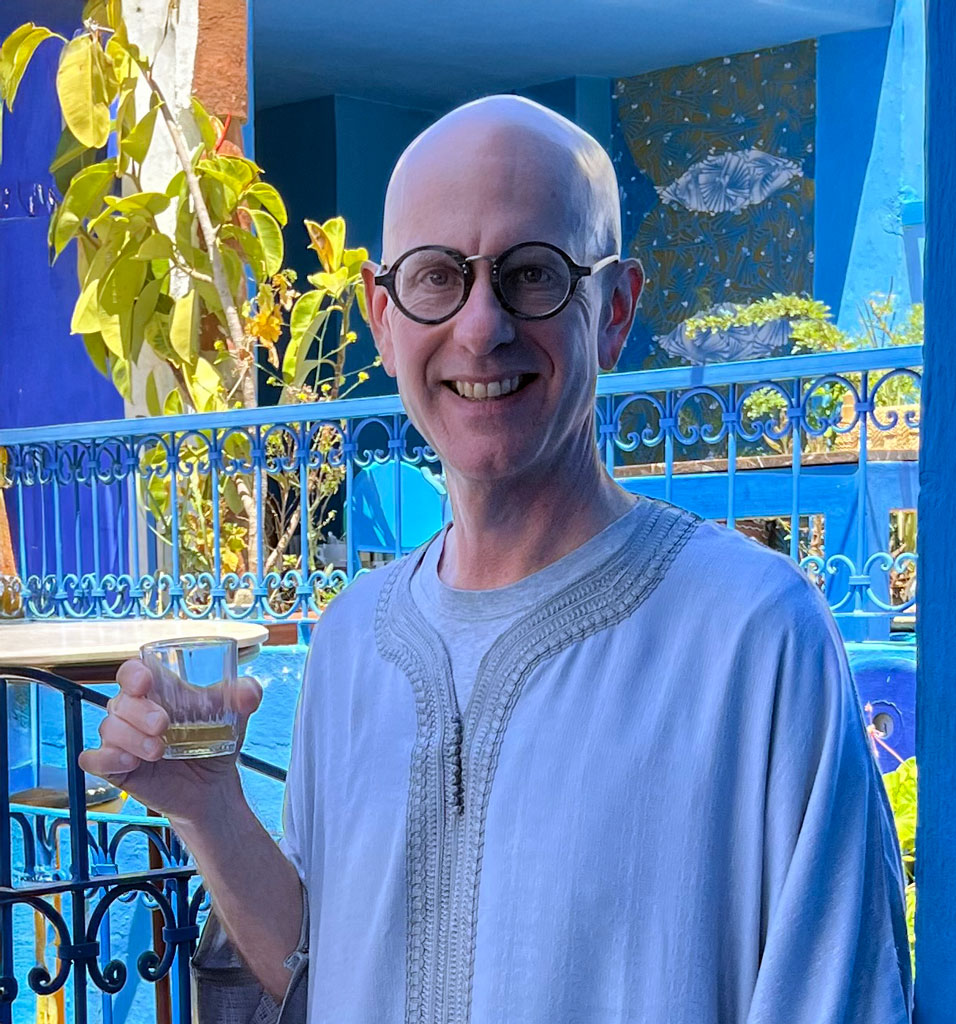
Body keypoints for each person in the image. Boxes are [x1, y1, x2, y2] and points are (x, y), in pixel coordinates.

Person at [81, 95, 913, 1024]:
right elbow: (328, 978)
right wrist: (211, 810)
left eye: (533, 274)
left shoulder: (752, 641)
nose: (482, 329)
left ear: (616, 309)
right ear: (382, 317)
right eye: (438, 277)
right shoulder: (355, 640)